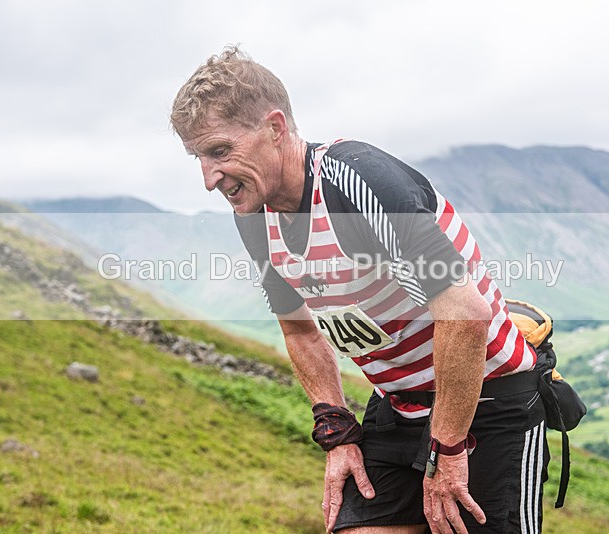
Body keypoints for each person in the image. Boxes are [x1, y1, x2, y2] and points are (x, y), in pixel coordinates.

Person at [171, 46, 549, 534]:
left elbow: (464, 312)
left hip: (487, 398)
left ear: (275, 127)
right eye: (199, 157)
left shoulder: (355, 181)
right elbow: (300, 330)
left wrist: (448, 448)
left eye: (221, 151)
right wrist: (336, 430)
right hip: (398, 402)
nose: (209, 179)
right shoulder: (254, 214)